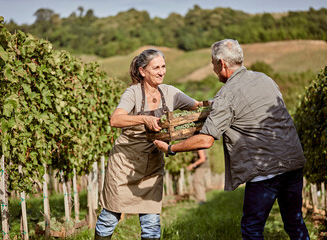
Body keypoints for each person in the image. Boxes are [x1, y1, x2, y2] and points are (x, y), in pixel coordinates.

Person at [154, 39, 310, 239]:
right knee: (294, 222)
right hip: (293, 161)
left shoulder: (227, 95)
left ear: (222, 63)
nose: (213, 69)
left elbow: (205, 140)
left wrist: (170, 148)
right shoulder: (264, 79)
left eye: (213, 64)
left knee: (252, 229)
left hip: (266, 170)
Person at [95, 48, 202, 240]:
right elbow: (116, 120)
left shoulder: (171, 93)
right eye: (156, 68)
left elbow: (198, 106)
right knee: (110, 217)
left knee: (151, 223)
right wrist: (143, 119)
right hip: (124, 164)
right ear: (143, 71)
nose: (162, 72)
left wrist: (219, 103)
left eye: (163, 67)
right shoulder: (133, 93)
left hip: (152, 165)